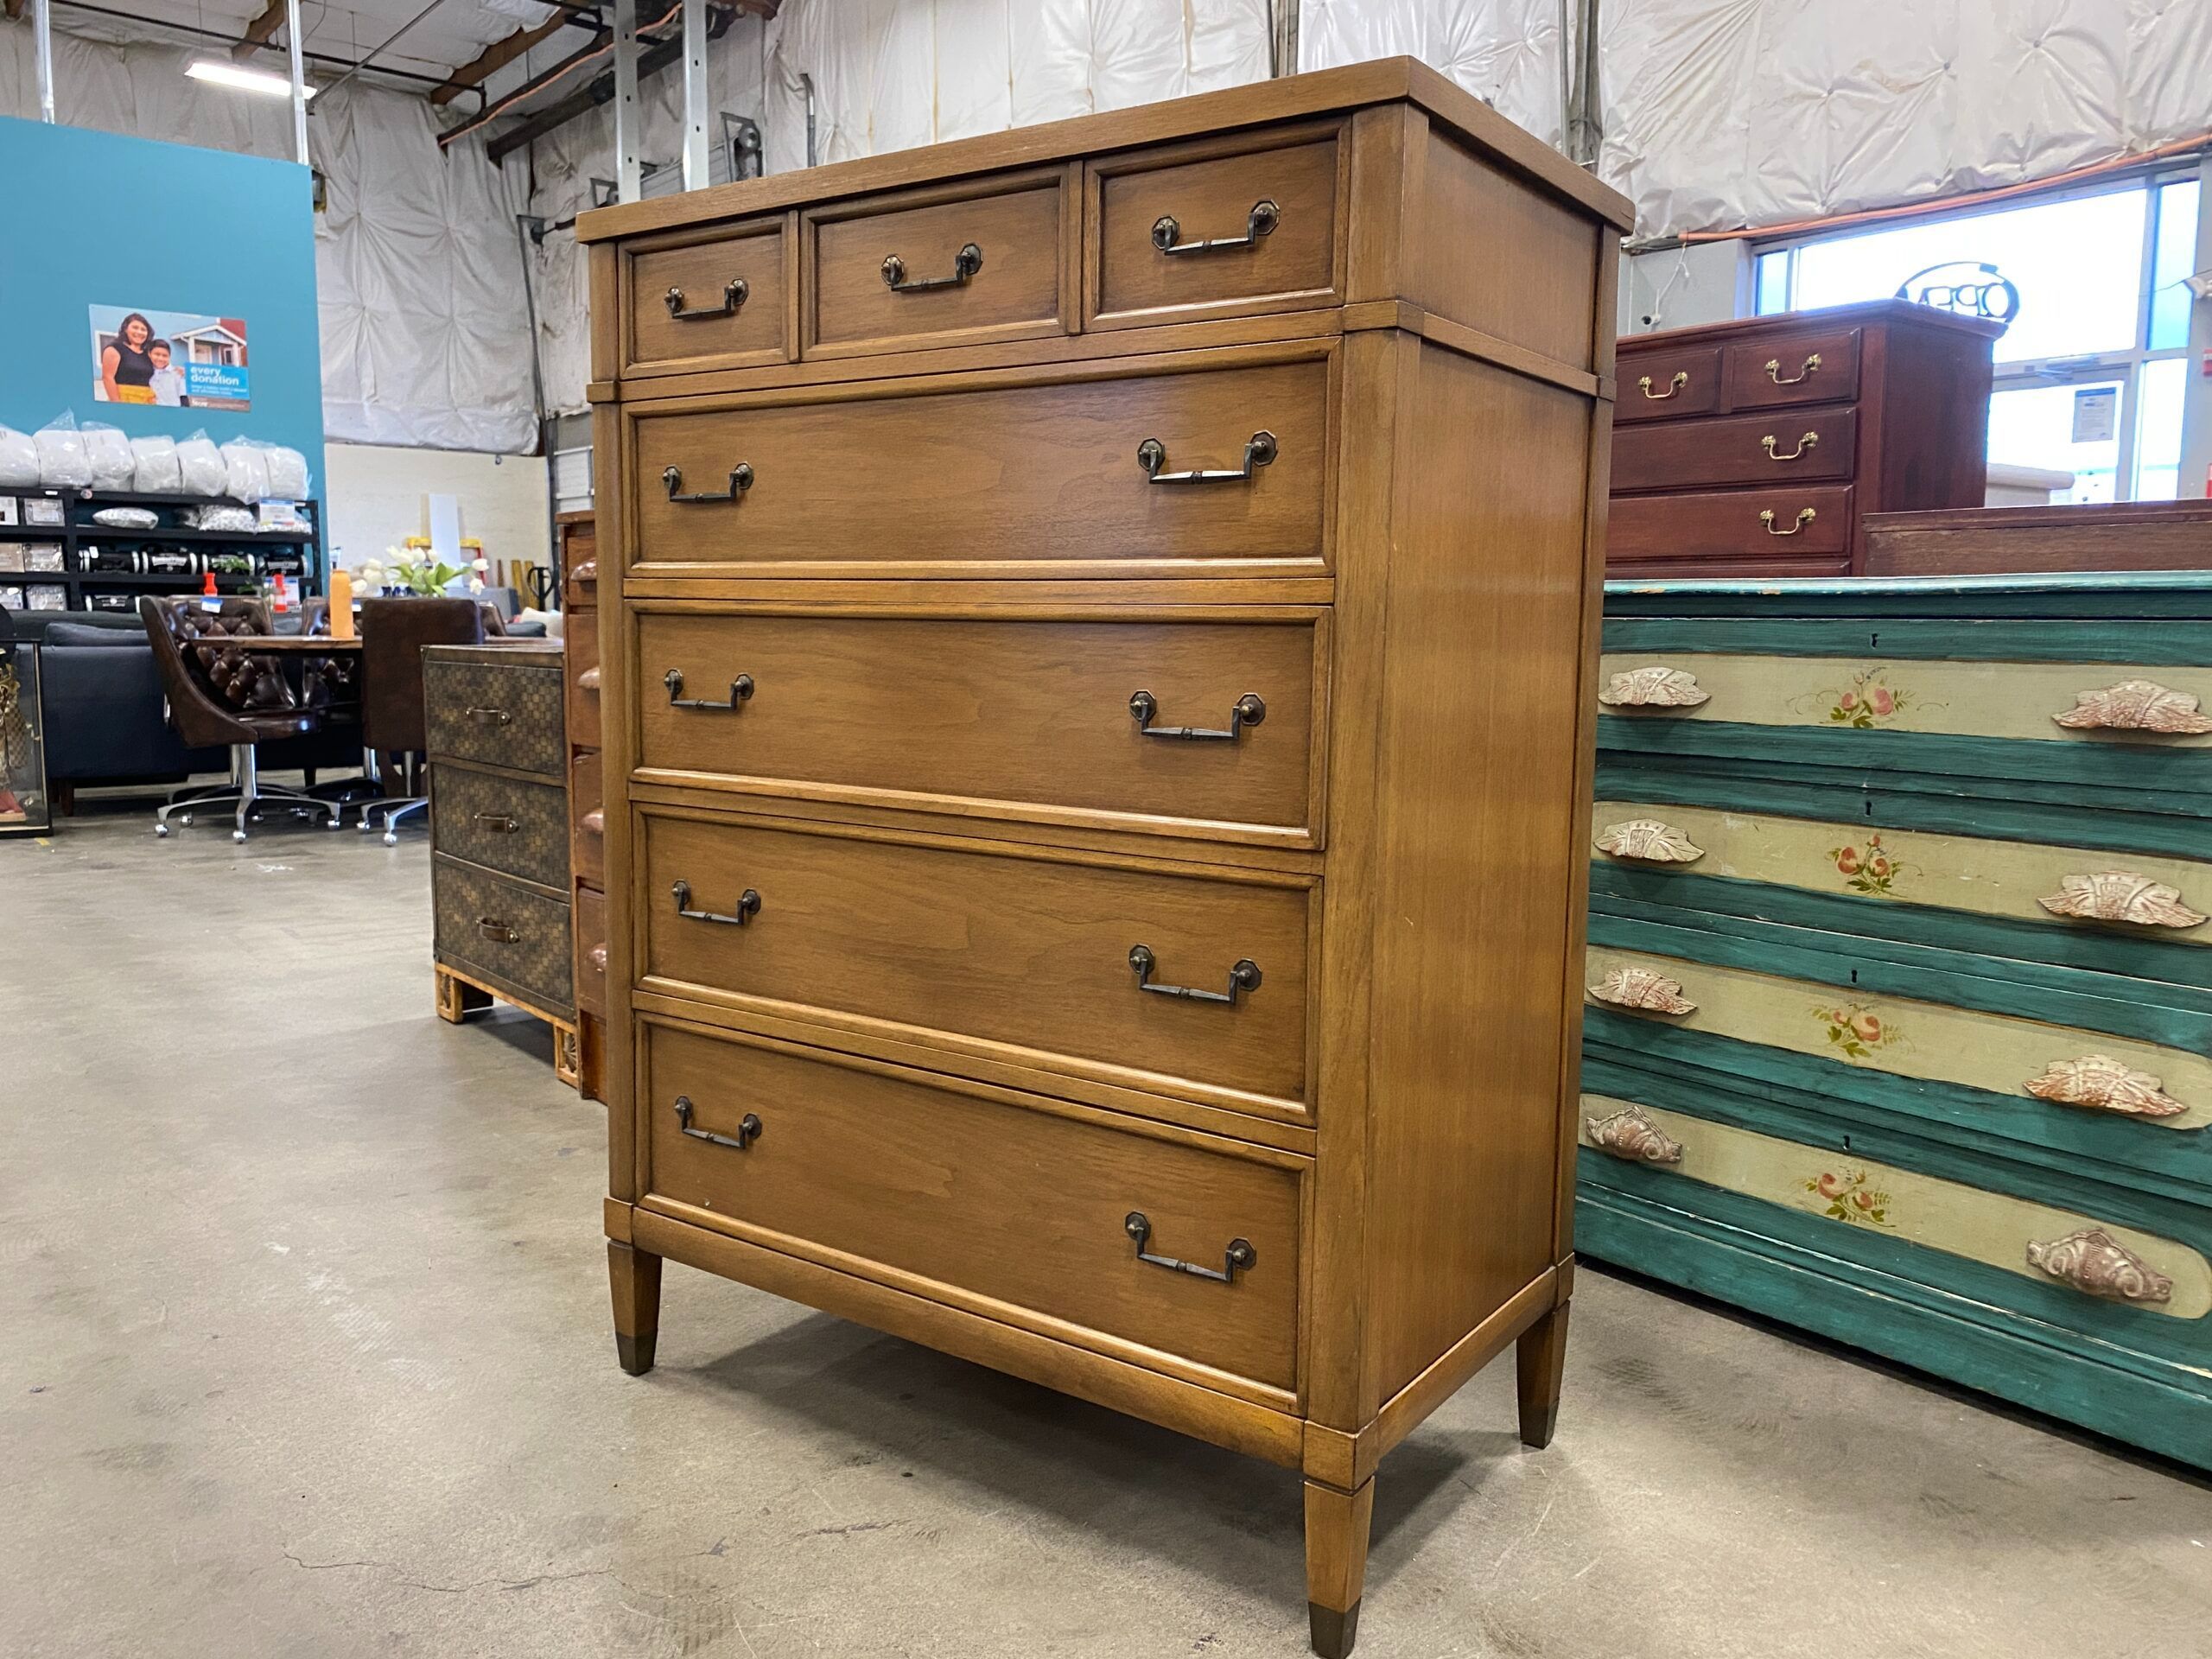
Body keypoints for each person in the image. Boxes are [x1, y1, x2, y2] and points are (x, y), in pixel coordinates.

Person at [146, 340, 188, 407]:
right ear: (149, 354)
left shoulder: (178, 373)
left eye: (165, 356)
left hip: (172, 414)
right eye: (157, 354)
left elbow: (184, 398)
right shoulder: (146, 373)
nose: (160, 358)